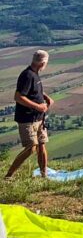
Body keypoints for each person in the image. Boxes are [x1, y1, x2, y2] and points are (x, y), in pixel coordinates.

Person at [5, 50, 54, 179]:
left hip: (38, 118)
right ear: (43, 63)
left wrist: (45, 97)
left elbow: (33, 91)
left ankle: (44, 175)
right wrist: (38, 106)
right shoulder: (27, 75)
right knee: (31, 147)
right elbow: (18, 97)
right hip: (27, 119)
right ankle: (9, 175)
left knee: (41, 145)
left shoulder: (34, 74)